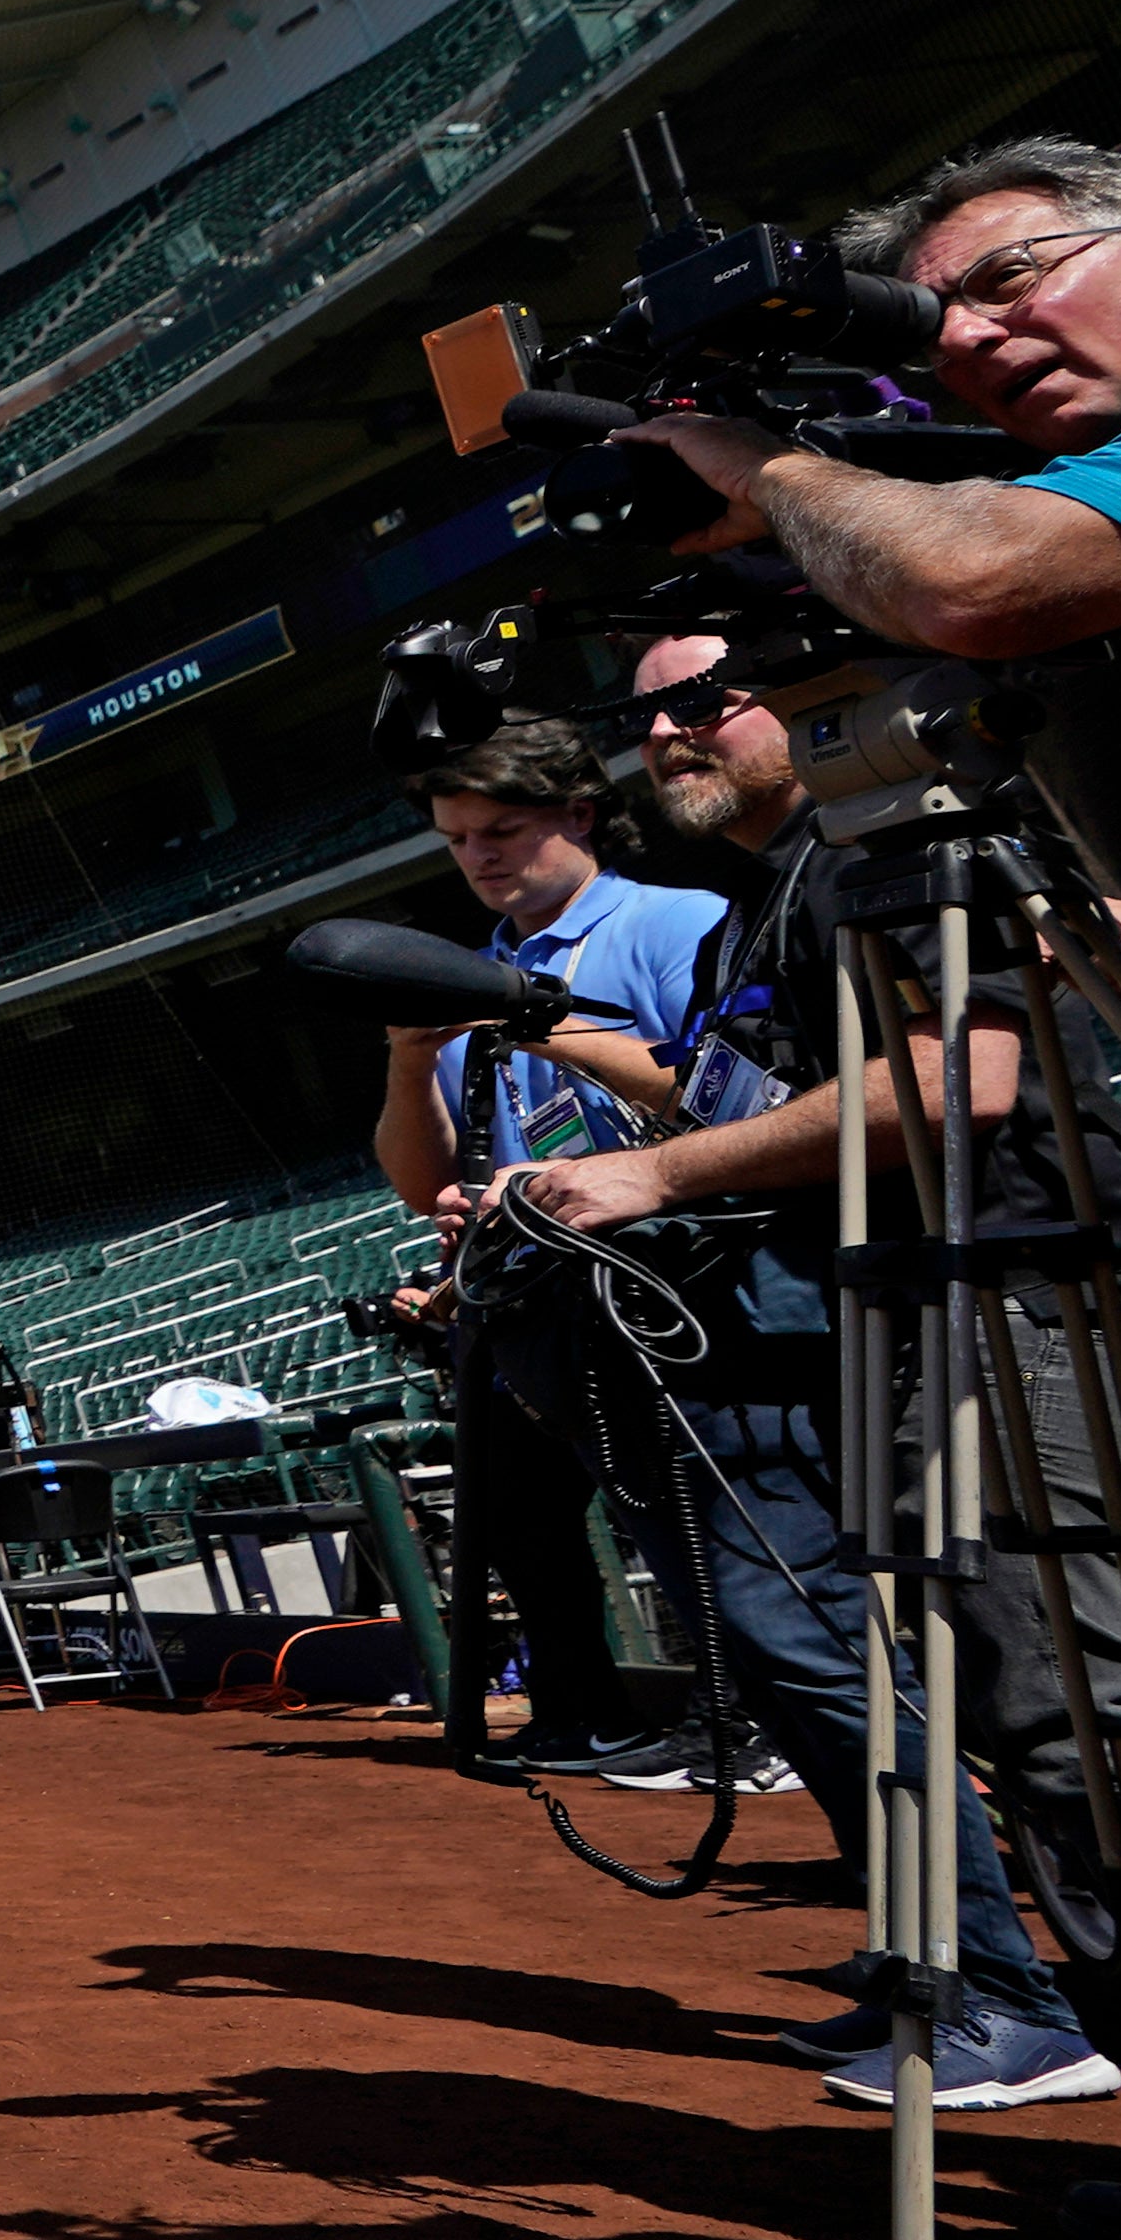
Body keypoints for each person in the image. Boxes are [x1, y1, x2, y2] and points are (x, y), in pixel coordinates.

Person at [509, 638, 1121, 2222]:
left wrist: (658, 1171)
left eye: (706, 694)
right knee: (1038, 1745)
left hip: (1025, 1307)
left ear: (834, 695)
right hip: (926, 1323)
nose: (663, 729)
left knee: (1088, 1746)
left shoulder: (885, 844)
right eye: (641, 705)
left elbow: (956, 1078)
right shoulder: (787, 888)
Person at [616, 136, 1121, 981]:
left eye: (1005, 278)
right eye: (930, 330)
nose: (964, 339)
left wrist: (764, 470)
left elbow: (974, 586)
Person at [367, 717, 727, 1766]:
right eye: (455, 838)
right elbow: (417, 1182)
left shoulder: (678, 922)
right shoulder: (466, 969)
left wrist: (530, 1018)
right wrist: (404, 1059)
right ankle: (584, 1713)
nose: (479, 855)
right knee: (516, 1517)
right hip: (527, 1301)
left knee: (684, 1517)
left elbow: (718, 1098)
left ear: (578, 812)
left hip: (672, 1281)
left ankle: (737, 1723)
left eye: (502, 829)